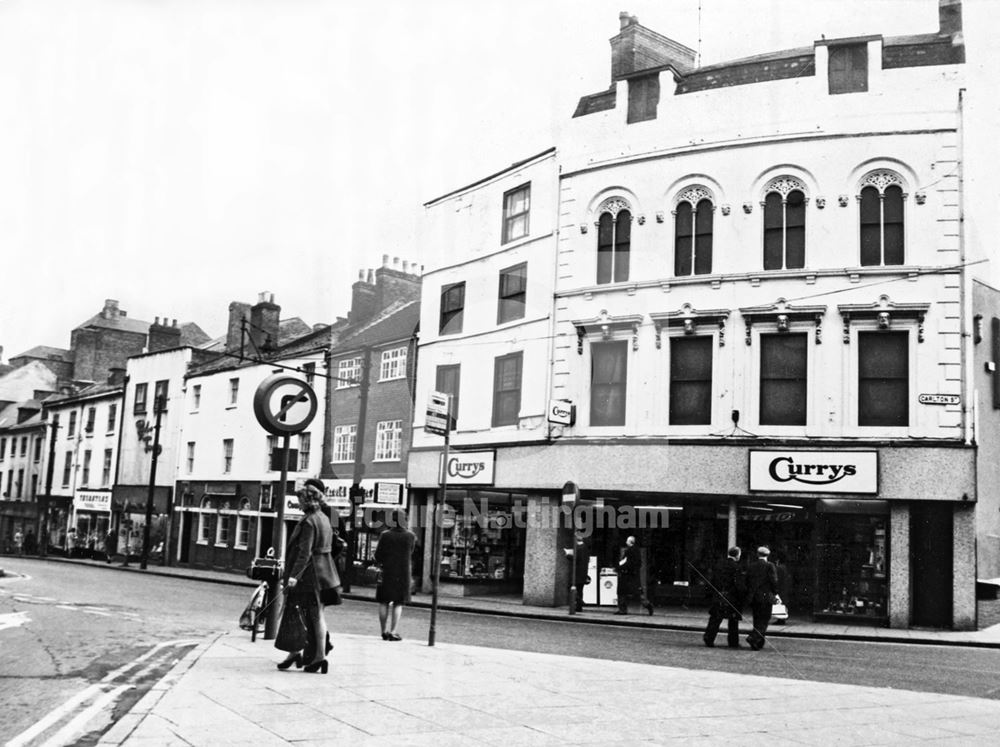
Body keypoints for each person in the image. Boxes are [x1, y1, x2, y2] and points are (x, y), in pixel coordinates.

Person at [277, 478, 338, 673]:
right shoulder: (324, 518)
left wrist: (293, 576)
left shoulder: (309, 522)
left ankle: (316, 656)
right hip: (325, 573)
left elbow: (305, 553)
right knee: (312, 615)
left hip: (308, 576)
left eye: (301, 501)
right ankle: (301, 653)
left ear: (308, 501)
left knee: (305, 615)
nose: (299, 504)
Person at [374, 508, 417, 641]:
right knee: (398, 603)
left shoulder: (385, 535)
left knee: (383, 601)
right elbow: (411, 552)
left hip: (387, 571)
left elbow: (377, 555)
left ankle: (383, 631)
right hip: (403, 573)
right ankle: (393, 631)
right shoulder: (410, 536)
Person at [703, 546, 746, 648]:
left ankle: (709, 638)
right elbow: (739, 585)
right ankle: (733, 642)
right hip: (732, 597)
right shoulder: (737, 567)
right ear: (737, 555)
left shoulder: (719, 565)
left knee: (715, 619)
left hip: (719, 595)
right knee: (733, 621)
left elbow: (713, 580)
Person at [745, 545, 779, 651]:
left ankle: (758, 643)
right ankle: (754, 637)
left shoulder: (751, 566)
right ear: (768, 555)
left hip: (754, 597)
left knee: (757, 619)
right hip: (766, 596)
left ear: (757, 554)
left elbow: (747, 581)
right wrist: (775, 593)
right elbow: (774, 581)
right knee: (764, 620)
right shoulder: (770, 566)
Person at [615, 535, 653, 615]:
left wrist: (619, 567)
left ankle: (622, 610)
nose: (626, 542)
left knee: (622, 592)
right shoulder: (637, 551)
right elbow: (638, 563)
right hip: (634, 575)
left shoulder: (628, 551)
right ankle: (647, 604)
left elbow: (626, 562)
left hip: (626, 575)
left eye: (627, 541)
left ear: (630, 542)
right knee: (638, 593)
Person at [563, 529, 590, 612]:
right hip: (583, 572)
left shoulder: (579, 548)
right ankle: (579, 607)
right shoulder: (585, 547)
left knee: (570, 587)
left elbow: (576, 559)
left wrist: (568, 555)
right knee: (580, 590)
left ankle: (580, 602)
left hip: (577, 572)